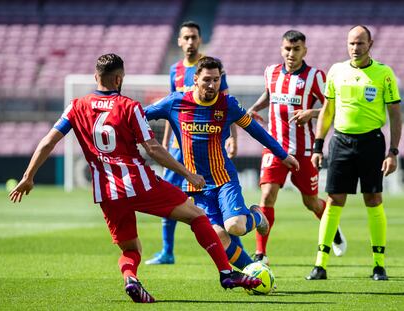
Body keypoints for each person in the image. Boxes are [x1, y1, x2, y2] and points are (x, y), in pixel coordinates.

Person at [8, 53, 263, 303]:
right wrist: (187, 174)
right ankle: (226, 273)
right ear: (119, 79)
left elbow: (48, 142)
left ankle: (130, 279)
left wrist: (28, 176)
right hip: (139, 183)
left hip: (106, 192)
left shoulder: (76, 106)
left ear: (96, 76)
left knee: (131, 249)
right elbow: (153, 149)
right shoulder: (129, 106)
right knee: (196, 215)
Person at [145, 56, 300, 271]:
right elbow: (140, 115)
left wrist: (282, 155)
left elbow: (256, 131)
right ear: (196, 79)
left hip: (224, 179)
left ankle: (256, 215)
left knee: (234, 226)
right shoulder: (175, 102)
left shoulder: (228, 105)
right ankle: (253, 273)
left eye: (216, 80)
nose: (212, 85)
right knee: (218, 236)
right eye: (207, 80)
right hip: (196, 186)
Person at [306, 25, 402, 281]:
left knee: (373, 199)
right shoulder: (337, 71)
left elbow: (395, 114)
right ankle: (320, 264)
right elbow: (327, 110)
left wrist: (393, 152)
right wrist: (318, 145)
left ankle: (379, 265)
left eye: (360, 43)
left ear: (370, 44)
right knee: (335, 200)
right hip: (341, 142)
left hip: (372, 143)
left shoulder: (384, 73)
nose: (355, 48)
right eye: (351, 43)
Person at [247, 30, 347, 264]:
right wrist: (254, 108)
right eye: (287, 49)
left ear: (305, 50)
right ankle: (261, 254)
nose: (291, 54)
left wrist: (311, 113)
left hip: (304, 151)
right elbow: (270, 94)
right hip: (274, 147)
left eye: (296, 49)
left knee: (310, 202)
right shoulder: (270, 71)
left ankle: (333, 228)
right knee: (267, 195)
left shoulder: (315, 76)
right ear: (282, 49)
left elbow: (333, 107)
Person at [145, 21, 238, 265]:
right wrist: (165, 144)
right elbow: (170, 109)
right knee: (168, 195)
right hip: (177, 148)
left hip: (205, 146)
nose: (189, 42)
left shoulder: (210, 68)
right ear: (179, 40)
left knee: (216, 205)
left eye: (194, 37)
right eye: (185, 37)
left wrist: (232, 139)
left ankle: (234, 247)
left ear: (200, 40)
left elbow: (227, 105)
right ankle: (167, 251)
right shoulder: (174, 69)